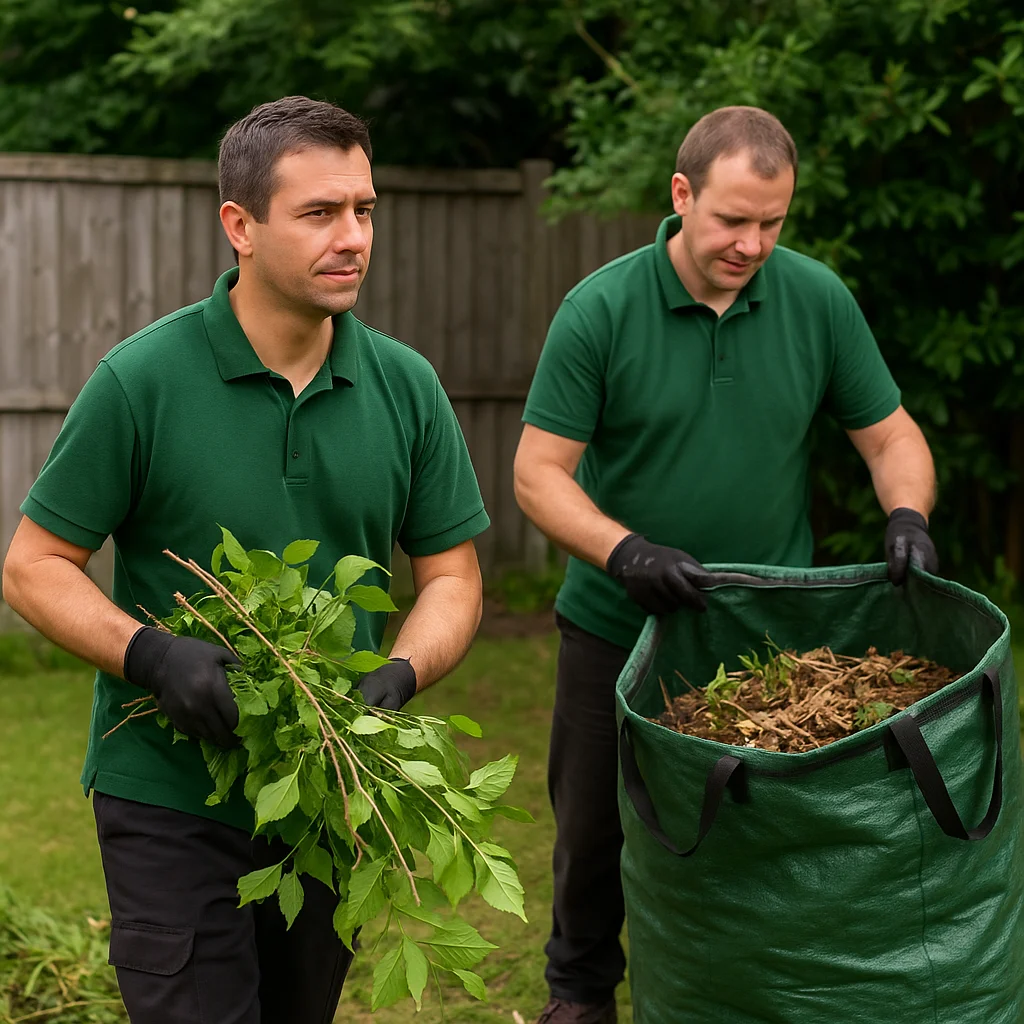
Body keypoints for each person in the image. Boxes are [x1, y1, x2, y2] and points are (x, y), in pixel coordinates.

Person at [1, 95, 489, 1024]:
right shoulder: (142, 381)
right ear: (241, 226)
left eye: (365, 210)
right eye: (320, 213)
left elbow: (453, 576)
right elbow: (33, 564)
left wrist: (401, 670)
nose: (353, 238)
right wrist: (153, 655)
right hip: (170, 795)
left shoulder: (407, 387)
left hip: (325, 791)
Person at [513, 105, 938, 1024]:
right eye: (733, 220)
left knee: (758, 833)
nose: (752, 244)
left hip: (766, 634)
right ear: (681, 194)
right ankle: (579, 994)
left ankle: (748, 992)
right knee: (594, 829)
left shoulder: (816, 299)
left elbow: (889, 436)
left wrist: (907, 513)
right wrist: (625, 551)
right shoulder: (601, 309)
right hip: (618, 626)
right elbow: (537, 475)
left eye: (771, 223)